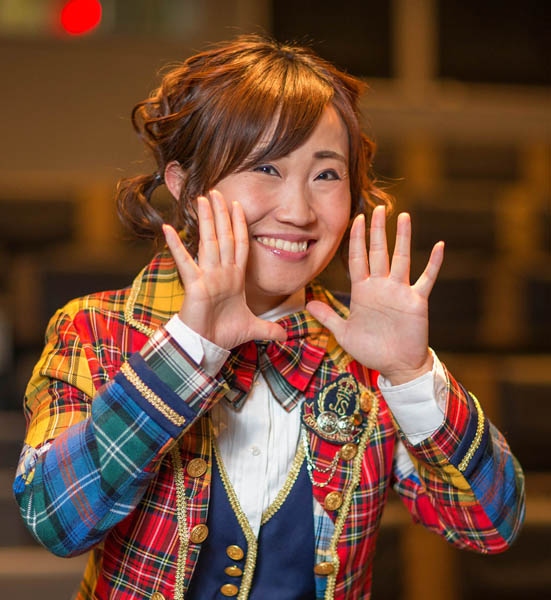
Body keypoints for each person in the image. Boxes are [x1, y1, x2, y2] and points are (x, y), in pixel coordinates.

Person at [14, 35, 525, 600]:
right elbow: (55, 521)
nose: (299, 211)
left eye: (326, 175)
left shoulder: (366, 354)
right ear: (185, 185)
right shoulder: (95, 330)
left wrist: (411, 374)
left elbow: (491, 526)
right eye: (265, 167)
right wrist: (188, 353)